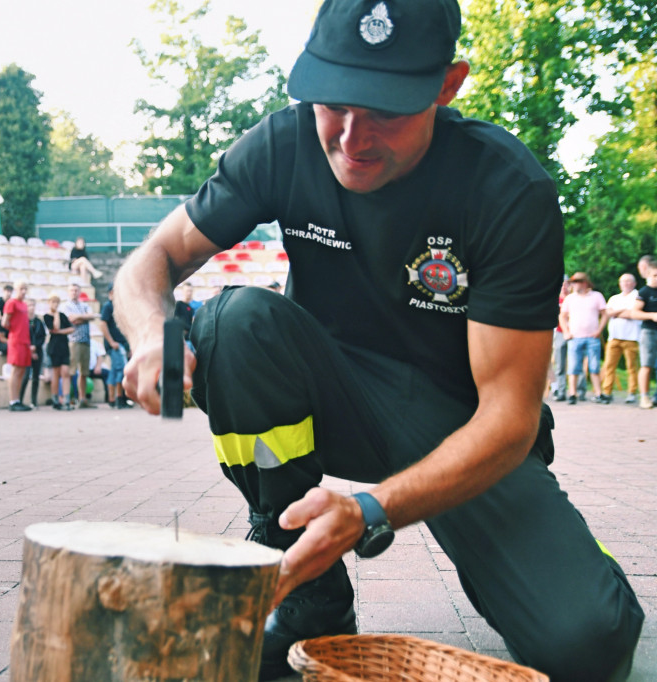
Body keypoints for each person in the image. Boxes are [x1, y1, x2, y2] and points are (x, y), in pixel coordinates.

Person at [112, 1, 644, 680]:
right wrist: (152, 335)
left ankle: (574, 567)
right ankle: (308, 591)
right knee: (236, 322)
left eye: (386, 109)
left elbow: (509, 419)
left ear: (447, 86)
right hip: (333, 394)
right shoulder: (284, 144)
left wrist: (369, 511)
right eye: (332, 103)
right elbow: (151, 260)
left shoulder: (508, 189)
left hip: (463, 426)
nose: (352, 138)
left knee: (587, 645)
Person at [560, 272, 608, 404]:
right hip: (575, 337)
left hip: (592, 337)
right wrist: (566, 331)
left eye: (578, 281)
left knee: (594, 366)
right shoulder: (570, 299)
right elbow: (562, 316)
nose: (575, 284)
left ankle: (598, 393)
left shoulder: (596, 296)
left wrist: (599, 330)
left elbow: (604, 314)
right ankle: (572, 394)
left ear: (585, 282)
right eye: (574, 282)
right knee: (573, 367)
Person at [601, 273, 642, 403]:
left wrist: (616, 312)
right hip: (614, 337)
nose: (626, 284)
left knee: (632, 367)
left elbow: (633, 313)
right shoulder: (614, 298)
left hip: (631, 337)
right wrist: (623, 310)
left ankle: (632, 392)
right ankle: (607, 392)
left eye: (628, 281)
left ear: (634, 283)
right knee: (609, 365)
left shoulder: (637, 296)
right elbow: (608, 313)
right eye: (623, 281)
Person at [62, 282, 97, 408]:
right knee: (71, 371)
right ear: (68, 292)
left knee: (84, 372)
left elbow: (92, 316)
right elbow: (71, 319)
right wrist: (85, 318)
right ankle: (70, 398)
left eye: (76, 290)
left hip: (85, 341)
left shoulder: (84, 305)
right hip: (73, 341)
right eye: (72, 290)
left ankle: (82, 399)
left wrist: (80, 318)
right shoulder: (66, 306)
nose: (74, 292)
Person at [98, 284, 132, 409]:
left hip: (121, 343)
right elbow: (102, 324)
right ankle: (119, 398)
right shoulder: (108, 306)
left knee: (114, 371)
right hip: (115, 345)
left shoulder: (119, 307)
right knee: (121, 370)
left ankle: (112, 399)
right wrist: (111, 342)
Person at [630, 256, 657, 409]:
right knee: (646, 365)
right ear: (649, 274)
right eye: (655, 275)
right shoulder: (645, 292)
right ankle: (644, 397)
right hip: (649, 332)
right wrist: (652, 316)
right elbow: (634, 313)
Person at [2, 281, 32, 411]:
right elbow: (5, 322)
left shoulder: (24, 305)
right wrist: (14, 331)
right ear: (16, 289)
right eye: (21, 289)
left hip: (25, 340)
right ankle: (13, 401)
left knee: (22, 370)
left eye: (25, 289)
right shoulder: (11, 303)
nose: (23, 291)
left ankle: (18, 399)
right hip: (16, 340)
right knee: (15, 371)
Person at [43, 293, 74, 410]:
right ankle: (55, 399)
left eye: (57, 302)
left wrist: (61, 332)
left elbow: (71, 329)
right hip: (54, 347)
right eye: (53, 302)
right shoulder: (47, 316)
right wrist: (55, 314)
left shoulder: (63, 315)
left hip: (64, 346)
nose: (55, 304)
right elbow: (54, 327)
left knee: (65, 372)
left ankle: (66, 399)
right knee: (56, 373)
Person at [20, 301, 47, 408]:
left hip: (38, 351)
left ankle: (34, 401)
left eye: (33, 305)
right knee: (25, 376)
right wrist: (30, 348)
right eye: (29, 305)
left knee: (36, 376)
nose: (31, 308)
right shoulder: (24, 321)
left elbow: (41, 336)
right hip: (26, 351)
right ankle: (19, 399)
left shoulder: (38, 322)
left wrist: (36, 347)